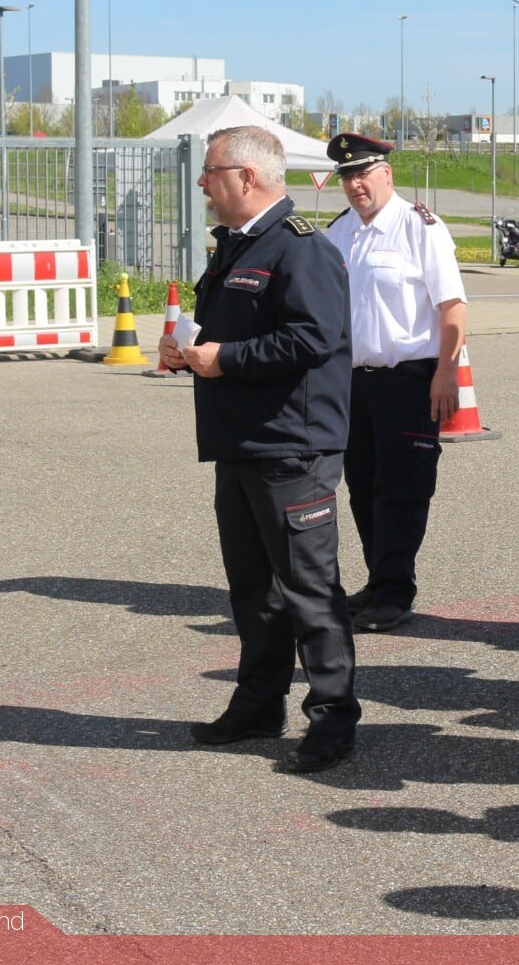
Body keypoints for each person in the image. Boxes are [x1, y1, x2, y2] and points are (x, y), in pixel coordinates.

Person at [158, 125, 360, 774]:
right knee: (253, 590)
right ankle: (258, 704)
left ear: (246, 177)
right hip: (241, 442)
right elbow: (232, 330)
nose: (202, 183)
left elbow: (313, 338)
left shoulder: (301, 249)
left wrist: (225, 358)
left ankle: (333, 718)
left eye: (211, 172)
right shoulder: (238, 245)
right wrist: (187, 350)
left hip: (291, 448)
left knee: (309, 590)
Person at [322, 133, 467, 633]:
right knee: (362, 486)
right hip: (352, 382)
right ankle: (378, 579)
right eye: (346, 177)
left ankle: (395, 590)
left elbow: (452, 306)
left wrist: (446, 370)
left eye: (362, 174)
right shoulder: (339, 232)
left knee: (401, 489)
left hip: (408, 379)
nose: (354, 185)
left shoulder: (420, 228)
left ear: (386, 173)